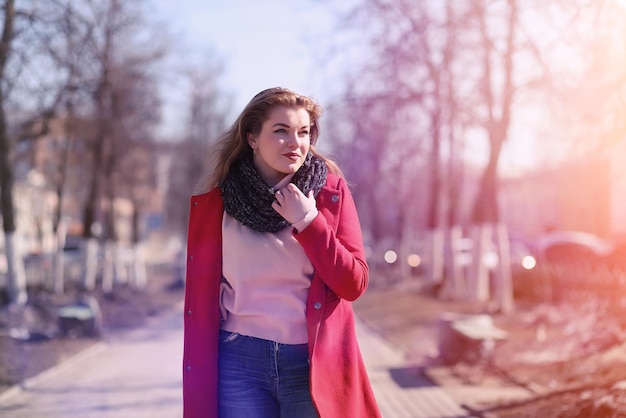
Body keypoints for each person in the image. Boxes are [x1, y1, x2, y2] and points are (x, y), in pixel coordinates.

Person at [182, 87, 381, 418]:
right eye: (281, 131)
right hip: (238, 360)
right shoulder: (217, 204)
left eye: (303, 132)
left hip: (310, 361)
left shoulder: (330, 195)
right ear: (252, 139)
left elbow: (353, 283)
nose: (295, 142)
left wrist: (308, 221)